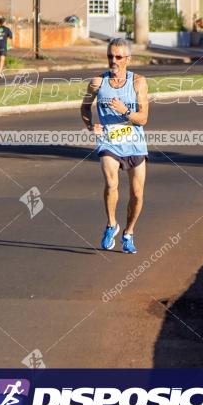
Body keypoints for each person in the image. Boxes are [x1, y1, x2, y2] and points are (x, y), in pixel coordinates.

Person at [80, 38, 149, 254]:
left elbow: (143, 118)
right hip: (109, 140)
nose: (114, 61)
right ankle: (111, 225)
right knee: (111, 183)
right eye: (110, 56)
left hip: (134, 143)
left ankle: (128, 233)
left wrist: (124, 111)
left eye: (118, 57)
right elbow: (84, 107)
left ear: (128, 59)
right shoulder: (97, 83)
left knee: (137, 194)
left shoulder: (138, 82)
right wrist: (91, 126)